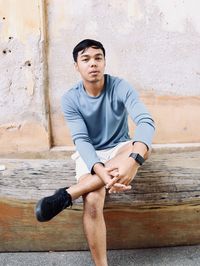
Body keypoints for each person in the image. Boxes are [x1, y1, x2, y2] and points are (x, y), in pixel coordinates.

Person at [35, 39, 155, 266]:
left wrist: (133, 162)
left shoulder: (120, 86)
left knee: (142, 148)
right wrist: (103, 174)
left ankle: (67, 195)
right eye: (86, 59)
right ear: (76, 66)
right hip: (90, 153)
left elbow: (146, 122)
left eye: (98, 58)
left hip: (120, 148)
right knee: (91, 200)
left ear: (104, 62)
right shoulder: (71, 98)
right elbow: (81, 140)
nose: (93, 64)